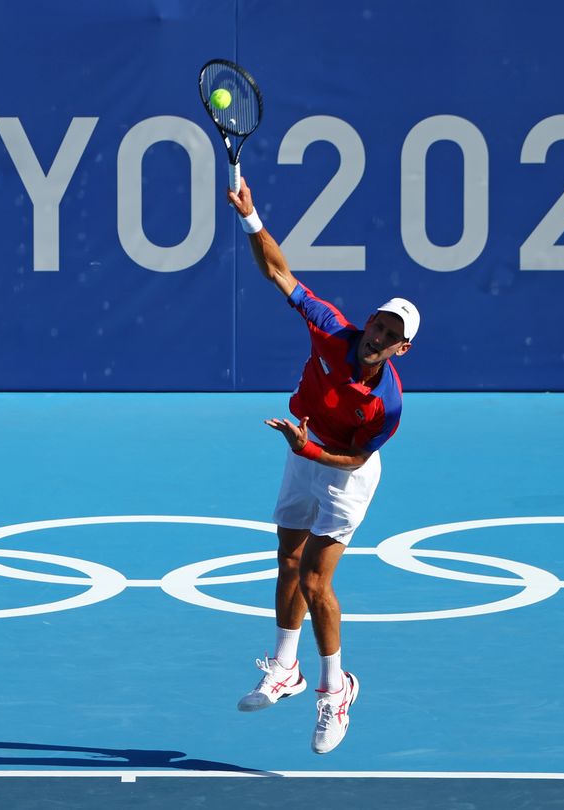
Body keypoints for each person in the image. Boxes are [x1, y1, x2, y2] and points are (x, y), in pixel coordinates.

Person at [226, 177, 420, 755]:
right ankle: (285, 667)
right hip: (303, 451)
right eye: (380, 322)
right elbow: (281, 274)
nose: (379, 334)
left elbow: (357, 457)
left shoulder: (387, 403)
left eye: (392, 335)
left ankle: (337, 689)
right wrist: (252, 219)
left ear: (401, 349)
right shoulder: (335, 329)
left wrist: (308, 450)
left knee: (315, 579)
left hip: (344, 473)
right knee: (286, 559)